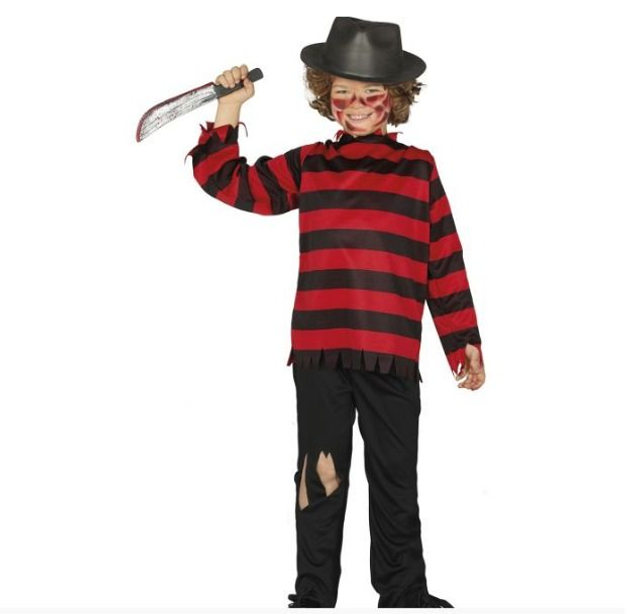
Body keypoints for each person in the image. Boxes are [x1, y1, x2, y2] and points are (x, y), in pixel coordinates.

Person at [185, 16, 486, 609]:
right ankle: (314, 592)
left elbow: (444, 261)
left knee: (395, 474)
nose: (356, 104)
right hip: (320, 355)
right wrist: (230, 108)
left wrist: (464, 343)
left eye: (370, 92)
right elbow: (229, 182)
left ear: (394, 97)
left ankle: (404, 590)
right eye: (342, 92)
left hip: (392, 353)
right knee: (319, 473)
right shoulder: (311, 165)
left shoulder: (419, 169)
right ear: (326, 96)